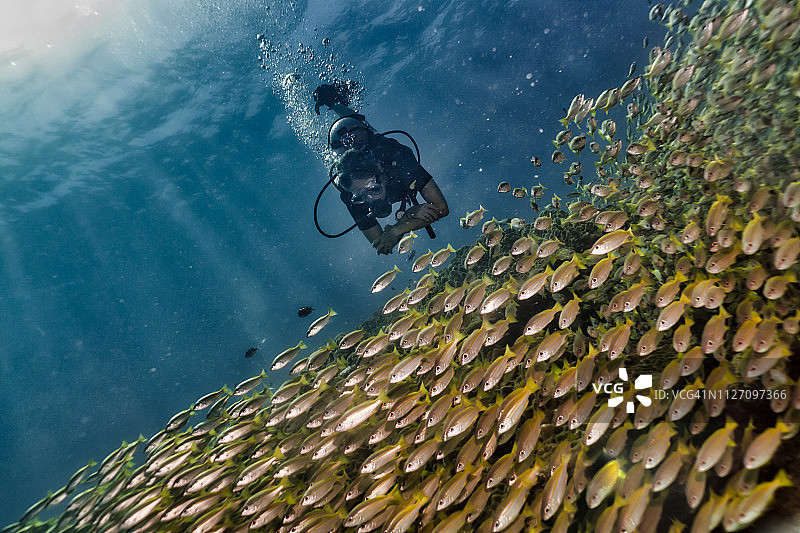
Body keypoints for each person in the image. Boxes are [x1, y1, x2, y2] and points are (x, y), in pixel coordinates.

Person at [313, 83, 448, 255]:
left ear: (382, 174)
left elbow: (442, 207)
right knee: (341, 139)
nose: (369, 199)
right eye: (360, 196)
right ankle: (334, 106)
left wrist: (397, 229)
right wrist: (410, 217)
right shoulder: (349, 192)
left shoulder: (398, 160)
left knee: (361, 126)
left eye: (373, 189)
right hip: (346, 154)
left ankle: (333, 102)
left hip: (373, 143)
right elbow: (381, 244)